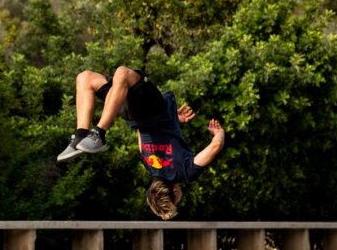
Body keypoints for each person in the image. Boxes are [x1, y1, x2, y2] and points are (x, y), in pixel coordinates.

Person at [57, 66, 225, 220]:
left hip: (152, 110)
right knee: (85, 78)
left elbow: (215, 146)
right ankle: (80, 136)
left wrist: (219, 134)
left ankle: (97, 133)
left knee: (123, 73)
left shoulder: (186, 172)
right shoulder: (150, 165)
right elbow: (144, 133)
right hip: (135, 115)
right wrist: (172, 117)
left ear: (175, 192)